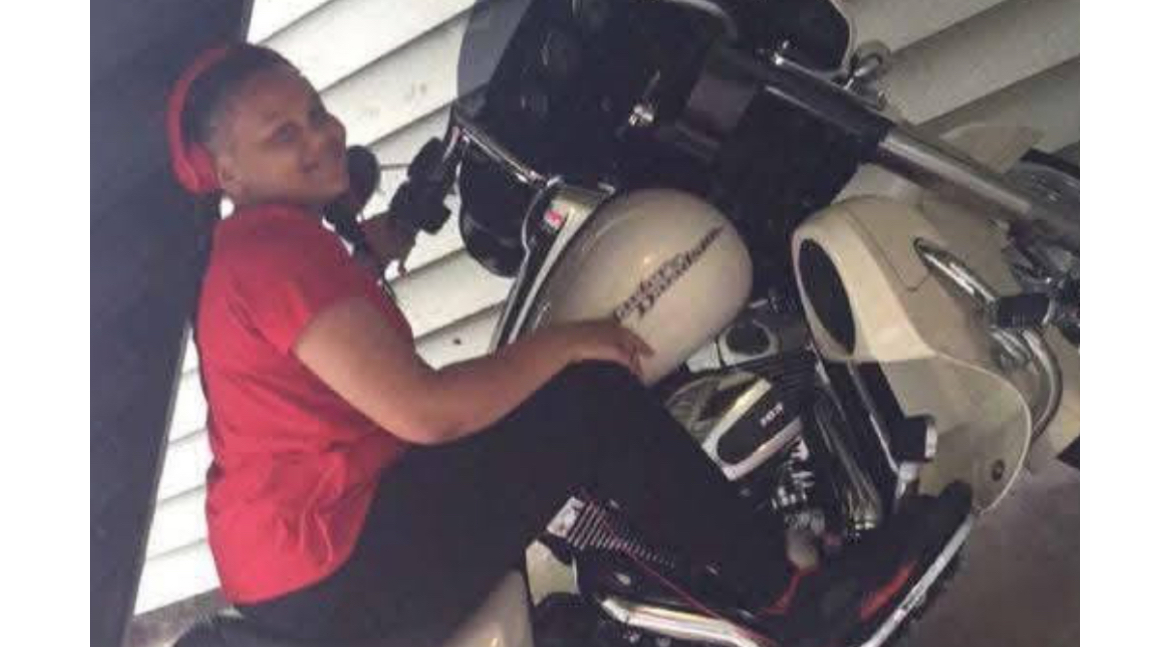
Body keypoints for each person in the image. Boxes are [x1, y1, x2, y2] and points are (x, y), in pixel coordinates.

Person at [168, 43, 964, 647]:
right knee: (584, 403)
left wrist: (403, 221)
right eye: (283, 134)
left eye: (315, 112)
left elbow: (342, 296)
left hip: (310, 557)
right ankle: (802, 601)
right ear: (228, 172)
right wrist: (568, 344)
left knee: (543, 400)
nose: (319, 137)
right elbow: (428, 411)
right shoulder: (274, 255)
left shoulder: (275, 243)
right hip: (337, 574)